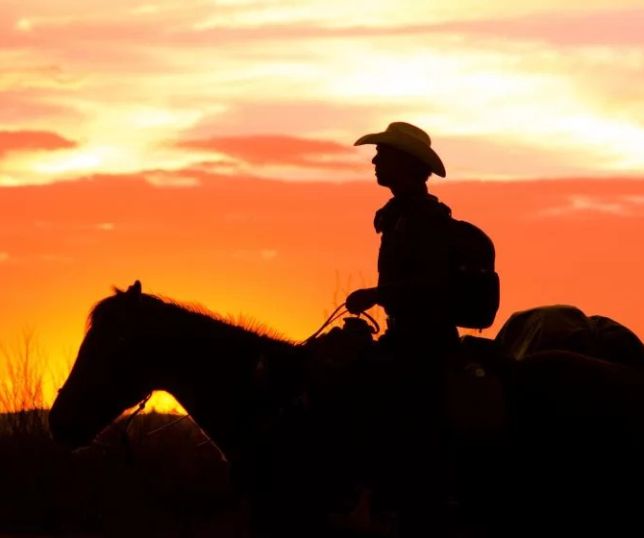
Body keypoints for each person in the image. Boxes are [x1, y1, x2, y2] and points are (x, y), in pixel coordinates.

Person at [346, 121, 460, 536]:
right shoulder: (400, 216)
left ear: (406, 164)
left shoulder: (425, 219)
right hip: (404, 336)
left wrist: (376, 294)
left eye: (383, 154)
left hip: (425, 344)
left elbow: (433, 284)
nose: (374, 161)